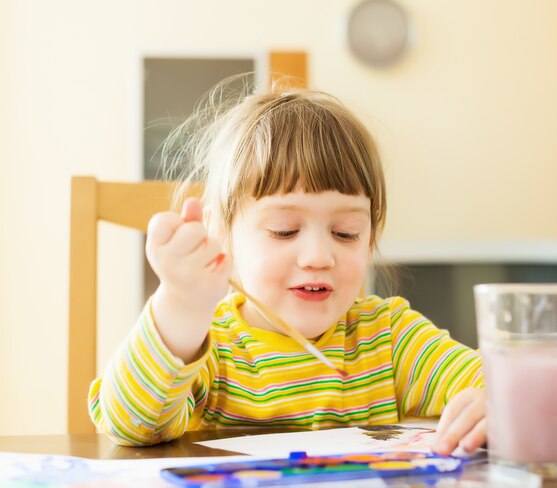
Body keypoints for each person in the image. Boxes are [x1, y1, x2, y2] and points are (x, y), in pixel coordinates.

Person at [88, 78, 486, 456]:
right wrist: (180, 306)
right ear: (220, 234)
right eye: (284, 230)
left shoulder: (390, 339)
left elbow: (504, 386)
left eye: (346, 233)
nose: (318, 256)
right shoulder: (211, 346)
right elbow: (131, 424)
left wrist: (496, 402)